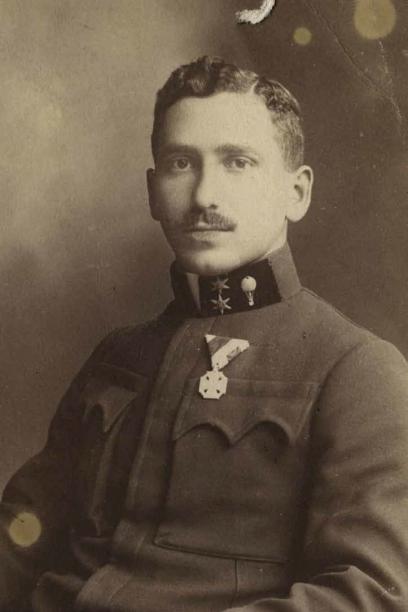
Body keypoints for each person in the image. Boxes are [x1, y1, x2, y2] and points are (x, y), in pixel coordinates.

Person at [1, 55, 408, 612]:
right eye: (180, 163)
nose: (203, 196)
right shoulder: (119, 355)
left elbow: (371, 592)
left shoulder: (356, 370)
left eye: (238, 162)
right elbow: (22, 533)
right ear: (152, 191)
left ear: (297, 192)